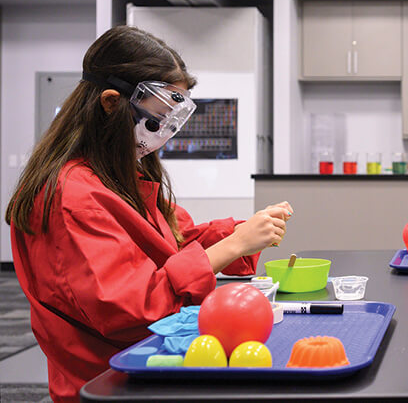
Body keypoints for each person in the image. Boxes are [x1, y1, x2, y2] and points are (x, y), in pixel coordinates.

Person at [5, 25, 292, 402]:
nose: (164, 134)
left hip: (146, 360)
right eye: (157, 119)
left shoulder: (118, 174)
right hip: (110, 378)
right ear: (111, 102)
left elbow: (175, 240)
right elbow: (130, 309)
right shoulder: (72, 195)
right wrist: (233, 244)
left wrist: (243, 232)